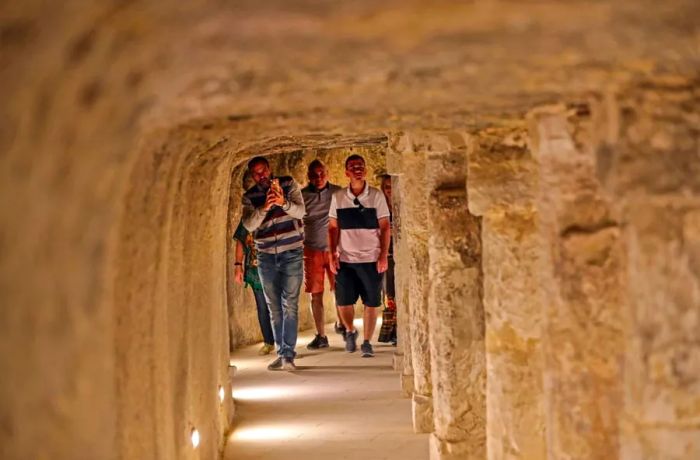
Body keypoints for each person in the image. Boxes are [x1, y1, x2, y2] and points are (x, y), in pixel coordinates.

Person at [242, 156, 306, 371]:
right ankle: (281, 353)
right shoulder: (249, 197)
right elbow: (249, 225)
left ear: (270, 169)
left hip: (291, 252)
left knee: (290, 304)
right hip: (266, 255)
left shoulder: (288, 184)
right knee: (274, 307)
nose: (261, 176)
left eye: (263, 171)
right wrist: (265, 207)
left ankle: (288, 354)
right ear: (252, 176)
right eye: (256, 174)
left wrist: (282, 202)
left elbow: (300, 212)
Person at [328, 154, 391, 357]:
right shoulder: (338, 197)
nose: (357, 168)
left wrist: (382, 255)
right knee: (343, 301)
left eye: (361, 166)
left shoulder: (376, 196)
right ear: (347, 172)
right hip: (346, 259)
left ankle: (366, 342)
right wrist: (332, 254)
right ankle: (349, 330)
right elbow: (332, 228)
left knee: (371, 302)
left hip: (370, 259)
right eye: (353, 166)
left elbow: (385, 226)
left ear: (365, 170)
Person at [301, 159, 343, 349]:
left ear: (327, 173)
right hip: (311, 250)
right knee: (315, 294)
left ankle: (342, 324)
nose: (318, 178)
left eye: (321, 173)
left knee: (339, 289)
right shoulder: (301, 196)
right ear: (308, 176)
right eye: (314, 174)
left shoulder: (338, 193)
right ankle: (321, 335)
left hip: (334, 249)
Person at [233, 217, 275, 355]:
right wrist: (238, 266)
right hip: (255, 270)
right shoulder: (247, 219)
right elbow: (240, 241)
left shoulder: (274, 214)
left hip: (275, 267)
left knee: (279, 305)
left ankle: (283, 341)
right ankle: (269, 341)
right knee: (262, 307)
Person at [377, 174, 397, 345]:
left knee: (400, 293)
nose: (390, 190)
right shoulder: (380, 209)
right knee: (389, 293)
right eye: (386, 187)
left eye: (392, 186)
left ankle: (400, 329)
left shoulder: (401, 206)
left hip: (401, 254)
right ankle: (392, 332)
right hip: (387, 255)